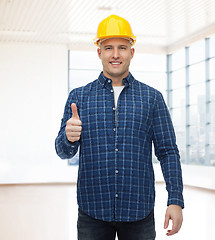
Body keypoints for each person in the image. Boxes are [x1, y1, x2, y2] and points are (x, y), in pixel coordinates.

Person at [55, 14, 184, 240]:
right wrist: (69, 137)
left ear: (132, 52)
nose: (115, 54)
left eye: (122, 47)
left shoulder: (152, 98)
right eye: (108, 48)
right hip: (92, 211)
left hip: (138, 212)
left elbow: (168, 152)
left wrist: (175, 199)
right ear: (99, 52)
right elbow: (63, 151)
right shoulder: (79, 97)